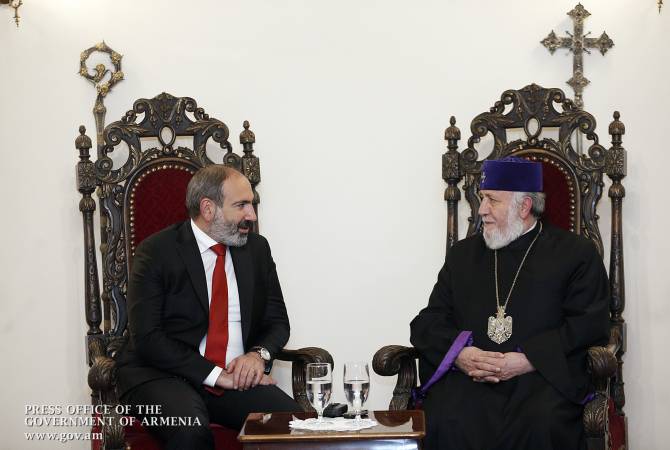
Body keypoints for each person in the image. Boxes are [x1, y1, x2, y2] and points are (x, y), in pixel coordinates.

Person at [410, 157, 610, 450]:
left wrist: (529, 360)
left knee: (543, 422)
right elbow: (429, 321)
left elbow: (589, 325)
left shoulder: (576, 254)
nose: (481, 210)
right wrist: (461, 354)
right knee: (445, 416)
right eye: (482, 198)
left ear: (524, 206)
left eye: (492, 200)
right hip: (472, 380)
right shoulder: (463, 255)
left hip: (540, 378)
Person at [115, 165, 299, 450]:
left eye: (251, 204)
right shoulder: (157, 251)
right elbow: (147, 338)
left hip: (234, 379)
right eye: (241, 205)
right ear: (208, 208)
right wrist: (216, 375)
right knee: (190, 431)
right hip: (162, 376)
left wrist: (257, 355)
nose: (251, 215)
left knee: (295, 425)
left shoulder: (257, 249)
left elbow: (277, 321)